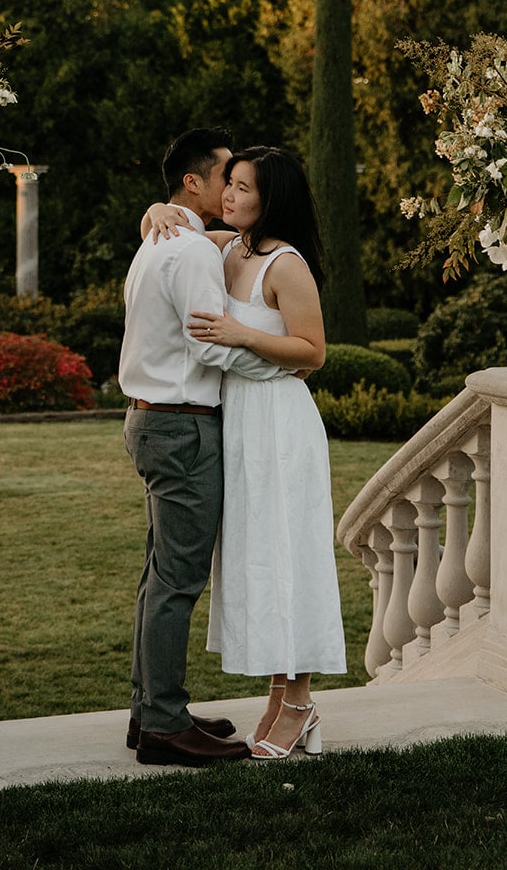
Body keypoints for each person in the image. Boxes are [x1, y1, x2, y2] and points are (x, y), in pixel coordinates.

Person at [146, 145, 346, 760]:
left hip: (280, 425)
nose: (229, 196)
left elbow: (312, 352)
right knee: (257, 558)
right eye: (227, 185)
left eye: (242, 189)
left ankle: (300, 702)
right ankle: (278, 696)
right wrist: (156, 209)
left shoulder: (286, 265)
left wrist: (243, 333)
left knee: (291, 555)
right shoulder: (228, 248)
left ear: (271, 199)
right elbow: (176, 222)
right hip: (237, 423)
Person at [119, 127, 291, 767]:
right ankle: (163, 725)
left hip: (152, 419)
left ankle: (150, 712)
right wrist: (279, 362)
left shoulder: (159, 242)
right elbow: (209, 343)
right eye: (227, 175)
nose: (235, 186)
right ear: (194, 182)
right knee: (176, 581)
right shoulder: (186, 250)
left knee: (157, 574)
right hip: (183, 426)